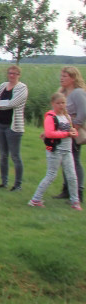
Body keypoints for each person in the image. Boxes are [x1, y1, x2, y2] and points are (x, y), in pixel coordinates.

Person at [28, 92, 81, 210]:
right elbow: (50, 133)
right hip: (55, 150)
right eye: (58, 103)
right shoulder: (50, 117)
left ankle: (75, 201)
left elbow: (73, 131)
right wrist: (67, 134)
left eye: (63, 103)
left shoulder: (67, 117)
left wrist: (73, 133)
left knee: (72, 175)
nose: (61, 106)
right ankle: (35, 199)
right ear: (53, 104)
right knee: (51, 175)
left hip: (67, 150)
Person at [0, 65, 28, 191]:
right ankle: (4, 181)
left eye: (15, 73)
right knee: (3, 155)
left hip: (13, 126)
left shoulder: (22, 88)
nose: (12, 75)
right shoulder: (2, 86)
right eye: (10, 73)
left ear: (19, 75)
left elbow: (13, 103)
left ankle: (18, 184)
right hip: (0, 124)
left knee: (15, 156)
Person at [53, 66, 86, 202]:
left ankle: (78, 191)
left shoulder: (78, 93)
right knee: (64, 160)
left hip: (72, 131)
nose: (62, 78)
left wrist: (76, 126)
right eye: (61, 75)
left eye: (65, 76)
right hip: (62, 131)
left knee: (74, 160)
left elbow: (83, 110)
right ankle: (67, 189)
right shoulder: (62, 92)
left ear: (73, 78)